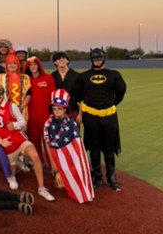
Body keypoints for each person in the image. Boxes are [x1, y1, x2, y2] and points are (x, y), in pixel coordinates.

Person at [70, 48, 127, 191]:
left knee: (109, 149)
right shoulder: (83, 76)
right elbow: (75, 94)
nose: (97, 61)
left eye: (99, 58)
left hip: (109, 116)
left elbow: (121, 92)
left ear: (104, 59)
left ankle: (112, 178)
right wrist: (83, 110)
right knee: (94, 148)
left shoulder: (114, 74)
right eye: (95, 59)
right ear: (91, 60)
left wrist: (111, 104)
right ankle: (97, 177)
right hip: (90, 117)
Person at [0, 85, 54, 200]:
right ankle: (17, 162)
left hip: (19, 140)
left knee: (35, 156)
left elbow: (23, 121)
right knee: (12, 180)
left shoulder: (11, 106)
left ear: (3, 95)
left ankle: (41, 188)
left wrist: (15, 125)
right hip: (6, 145)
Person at [42, 89, 95, 204]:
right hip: (56, 156)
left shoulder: (71, 124)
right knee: (61, 181)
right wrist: (53, 163)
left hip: (70, 158)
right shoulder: (48, 124)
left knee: (74, 175)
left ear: (65, 109)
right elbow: (48, 143)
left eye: (60, 108)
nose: (56, 111)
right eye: (54, 108)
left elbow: (77, 147)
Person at [24, 56, 55, 167]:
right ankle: (38, 164)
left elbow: (53, 96)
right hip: (32, 116)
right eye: (30, 65)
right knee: (34, 140)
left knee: (49, 141)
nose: (33, 67)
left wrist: (53, 114)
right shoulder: (26, 81)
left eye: (35, 65)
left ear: (39, 66)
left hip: (46, 115)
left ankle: (53, 166)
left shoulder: (48, 78)